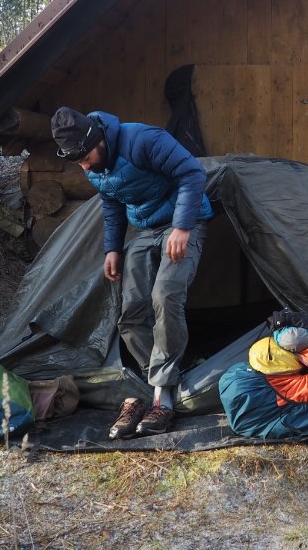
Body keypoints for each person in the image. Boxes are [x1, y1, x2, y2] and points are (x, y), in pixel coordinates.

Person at [50, 106, 214, 439]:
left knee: (164, 296)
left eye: (84, 157)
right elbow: (111, 205)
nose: (82, 166)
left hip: (185, 222)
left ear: (96, 139)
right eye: (75, 161)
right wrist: (112, 249)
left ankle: (163, 397)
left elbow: (192, 174)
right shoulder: (92, 163)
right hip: (146, 230)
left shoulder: (143, 140)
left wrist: (182, 226)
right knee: (130, 313)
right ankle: (155, 381)